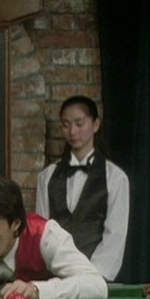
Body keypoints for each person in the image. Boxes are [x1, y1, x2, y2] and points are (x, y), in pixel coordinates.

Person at [36, 96, 129, 281]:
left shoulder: (116, 177)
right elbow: (42, 230)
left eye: (79, 123)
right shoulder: (46, 176)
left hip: (96, 277)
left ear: (95, 125)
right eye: (66, 125)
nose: (72, 131)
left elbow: (115, 235)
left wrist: (91, 275)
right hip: (55, 276)